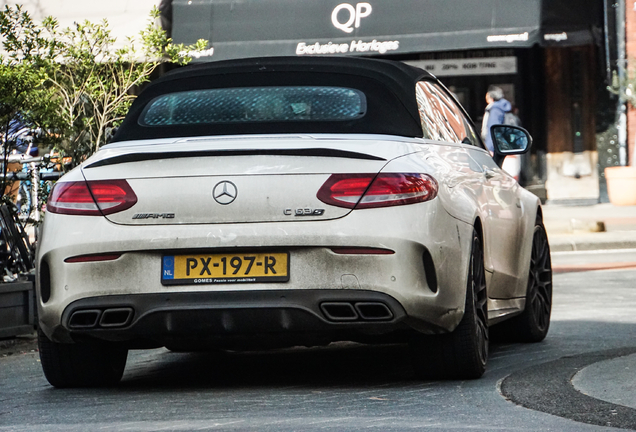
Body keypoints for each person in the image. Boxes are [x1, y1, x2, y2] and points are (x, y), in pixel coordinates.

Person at [481, 86, 512, 153]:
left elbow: (492, 129)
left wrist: (489, 148)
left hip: (494, 148)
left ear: (491, 97)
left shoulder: (495, 110)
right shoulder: (500, 108)